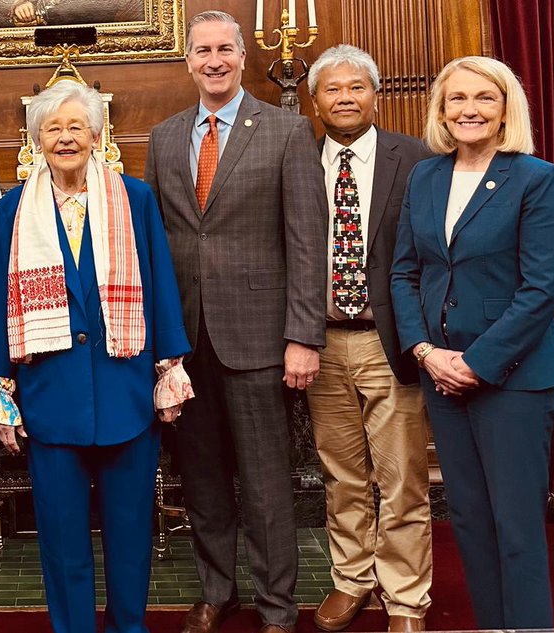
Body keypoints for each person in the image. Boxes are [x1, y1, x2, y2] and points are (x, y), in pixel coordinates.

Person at [0, 79, 192, 633]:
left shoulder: (135, 199)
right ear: (36, 139)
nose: (66, 137)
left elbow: (160, 286)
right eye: (53, 128)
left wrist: (170, 368)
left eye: (77, 126)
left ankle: (128, 626)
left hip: (126, 393)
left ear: (98, 135)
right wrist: (0, 387)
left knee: (129, 535)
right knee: (63, 539)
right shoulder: (11, 212)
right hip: (50, 399)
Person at [144, 10, 327, 633]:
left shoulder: (285, 130)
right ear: (187, 60)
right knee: (202, 479)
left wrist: (304, 335)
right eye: (202, 50)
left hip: (260, 339)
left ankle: (277, 607)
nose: (214, 60)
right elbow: (155, 245)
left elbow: (307, 240)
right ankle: (216, 591)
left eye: (225, 48)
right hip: (185, 344)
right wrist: (157, 343)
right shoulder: (164, 137)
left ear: (244, 56)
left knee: (268, 485)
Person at [390, 55, 554, 630]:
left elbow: (541, 290)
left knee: (516, 530)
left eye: (484, 98)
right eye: (457, 98)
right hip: (441, 375)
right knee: (468, 519)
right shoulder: (426, 176)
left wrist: (477, 363)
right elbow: (404, 273)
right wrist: (424, 352)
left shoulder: (537, 178)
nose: (469, 109)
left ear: (505, 108)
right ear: (441, 110)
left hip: (513, 381)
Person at [305, 45, 434, 633]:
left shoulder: (417, 158)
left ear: (375, 94)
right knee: (341, 472)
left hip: (391, 339)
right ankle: (352, 579)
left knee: (402, 475)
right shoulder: (296, 156)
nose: (345, 98)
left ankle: (405, 598)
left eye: (356, 87)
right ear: (315, 100)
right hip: (320, 341)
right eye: (332, 89)